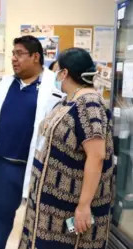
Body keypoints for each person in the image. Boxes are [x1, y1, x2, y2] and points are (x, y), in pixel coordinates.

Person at [0, 35, 63, 249]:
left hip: (36, 165)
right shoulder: (6, 84)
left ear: (36, 57)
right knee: (1, 214)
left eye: (19, 54)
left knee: (39, 216)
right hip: (4, 165)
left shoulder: (52, 85)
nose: (14, 59)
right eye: (13, 54)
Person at [18, 47, 115, 249]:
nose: (55, 74)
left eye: (57, 70)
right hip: (48, 208)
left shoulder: (90, 105)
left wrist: (83, 206)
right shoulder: (68, 100)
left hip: (70, 209)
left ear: (65, 73)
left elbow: (96, 157)